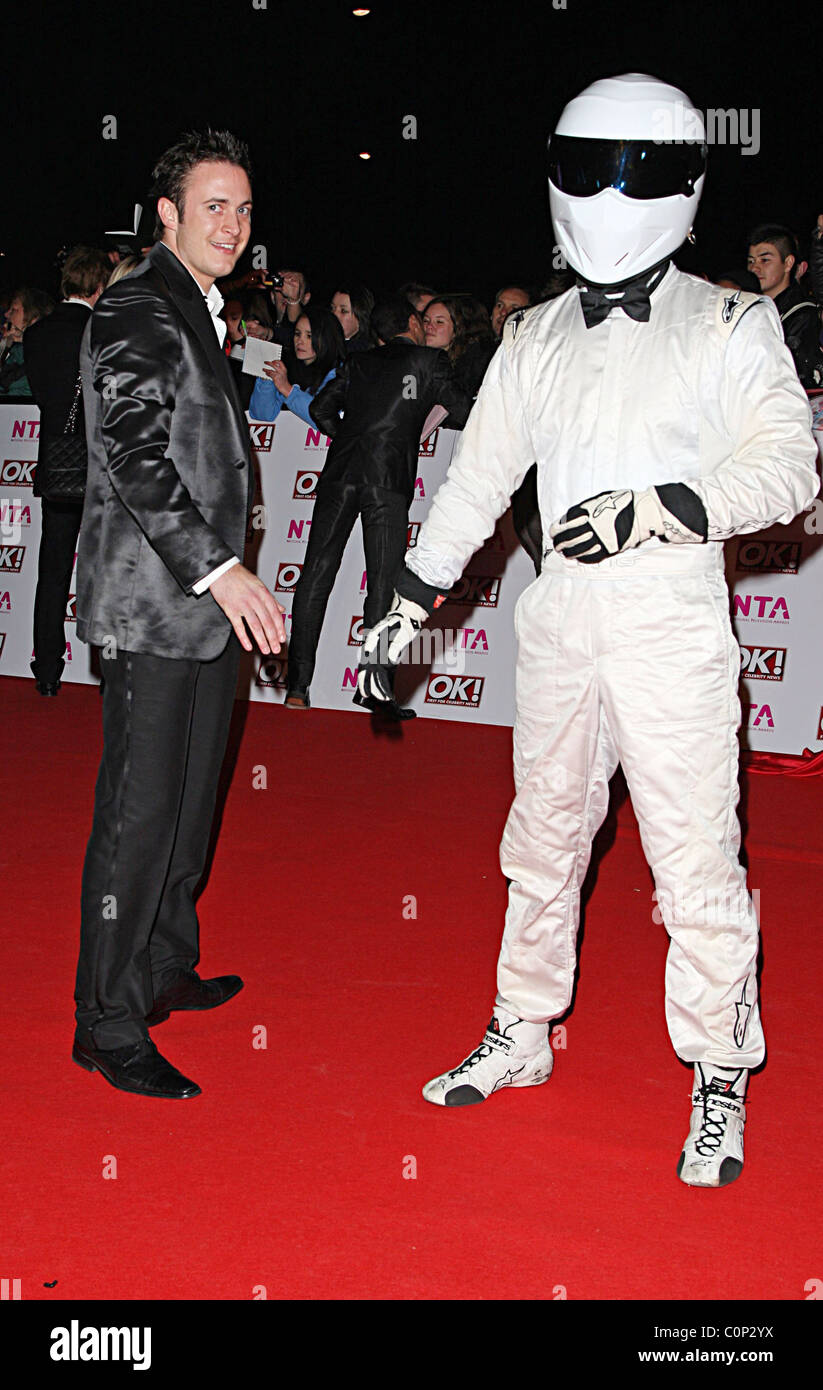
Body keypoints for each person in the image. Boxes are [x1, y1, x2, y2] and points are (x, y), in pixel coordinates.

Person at [358, 75, 818, 1186]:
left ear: (686, 188)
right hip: (559, 616)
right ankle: (522, 1028)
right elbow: (476, 481)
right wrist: (409, 602)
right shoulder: (534, 335)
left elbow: (789, 466)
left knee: (694, 858)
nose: (613, 194)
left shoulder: (731, 321)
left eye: (638, 171)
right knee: (541, 842)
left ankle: (717, 1072)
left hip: (671, 624)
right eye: (592, 167)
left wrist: (661, 505)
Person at [73, 129, 286, 1100]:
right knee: (138, 815)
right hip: (157, 608)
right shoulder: (135, 302)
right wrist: (222, 570)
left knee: (193, 806)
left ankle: (164, 963)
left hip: (202, 612)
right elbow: (132, 454)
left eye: (243, 209)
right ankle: (106, 1024)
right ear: (166, 213)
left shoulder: (202, 308)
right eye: (213, 205)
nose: (232, 226)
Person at [282, 295, 471, 709]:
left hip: (340, 474)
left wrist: (352, 436)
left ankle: (296, 688)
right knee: (382, 584)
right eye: (420, 320)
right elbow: (463, 410)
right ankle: (374, 685)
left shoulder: (359, 362)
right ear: (410, 324)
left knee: (316, 574)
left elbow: (320, 407)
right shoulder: (428, 362)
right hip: (387, 482)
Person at [25, 246, 111, 696]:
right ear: (98, 288)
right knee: (101, 572)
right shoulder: (100, 330)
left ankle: (47, 669)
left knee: (52, 570)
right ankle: (105, 671)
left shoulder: (36, 334)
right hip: (98, 464)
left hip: (55, 461)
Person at [747, 223, 823, 387]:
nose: (755, 267)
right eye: (751, 261)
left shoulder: (803, 313)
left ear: (788, 263)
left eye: (765, 260)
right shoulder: (747, 307)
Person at [248, 305, 344, 425]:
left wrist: (287, 389)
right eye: (297, 334)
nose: (300, 341)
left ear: (326, 338)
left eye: (309, 336)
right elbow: (261, 415)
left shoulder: (339, 373)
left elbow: (323, 418)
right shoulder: (288, 366)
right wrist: (266, 376)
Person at [422, 294, 497, 400]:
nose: (429, 327)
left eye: (439, 322)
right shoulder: (419, 359)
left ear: (457, 329)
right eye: (425, 320)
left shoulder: (471, 366)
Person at [0, 288, 55, 397]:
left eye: (14, 310)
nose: (6, 314)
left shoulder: (43, 357)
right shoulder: (12, 351)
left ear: (33, 318)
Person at [330, 282, 374, 353]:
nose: (334, 314)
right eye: (332, 308)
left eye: (343, 311)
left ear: (360, 318)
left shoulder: (364, 355)